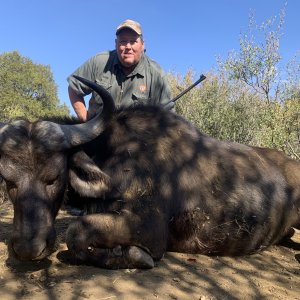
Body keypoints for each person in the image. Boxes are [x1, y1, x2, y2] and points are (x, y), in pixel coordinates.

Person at [67, 19, 174, 122]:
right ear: (116, 43)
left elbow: (169, 118)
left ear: (142, 44)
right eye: (123, 41)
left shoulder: (156, 74)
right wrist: (86, 120)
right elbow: (73, 88)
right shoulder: (99, 61)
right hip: (97, 135)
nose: (128, 46)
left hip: (133, 139)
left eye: (133, 41)